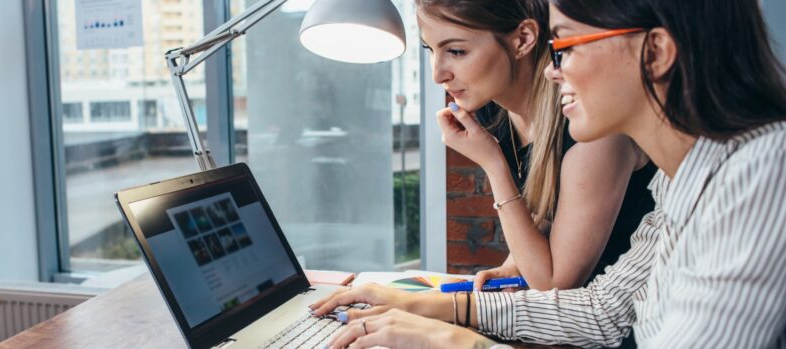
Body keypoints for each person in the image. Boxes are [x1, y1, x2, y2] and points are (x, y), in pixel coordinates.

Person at [312, 0, 786, 347]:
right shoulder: (677, 184)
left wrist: (456, 342)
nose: (554, 71)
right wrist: (434, 306)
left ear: (655, 52)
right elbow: (601, 311)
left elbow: (561, 284)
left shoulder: (762, 173)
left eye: (567, 47)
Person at [416, 0, 657, 295]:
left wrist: (493, 163)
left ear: (523, 39)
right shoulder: (494, 111)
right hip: (559, 325)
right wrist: (512, 267)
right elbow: (548, 212)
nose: (437, 74)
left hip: (622, 320)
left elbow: (554, 282)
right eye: (430, 49)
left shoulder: (592, 124)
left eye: (456, 51)